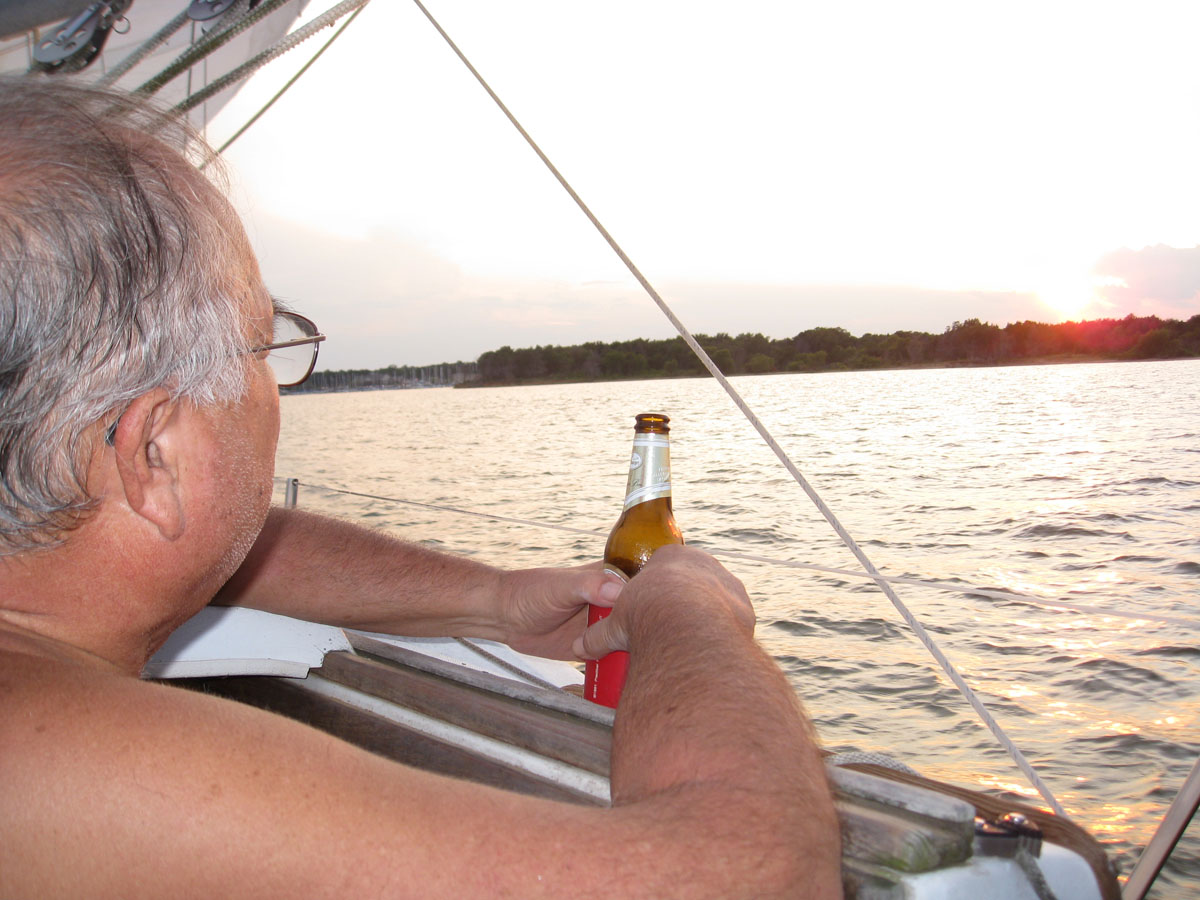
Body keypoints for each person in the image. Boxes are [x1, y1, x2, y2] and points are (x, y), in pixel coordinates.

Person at [0, 76, 841, 898]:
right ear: (156, 454)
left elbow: (220, 540)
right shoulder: (77, 765)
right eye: (264, 347)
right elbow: (757, 877)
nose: (274, 386)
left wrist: (491, 601)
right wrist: (691, 608)